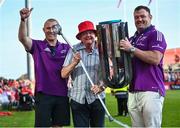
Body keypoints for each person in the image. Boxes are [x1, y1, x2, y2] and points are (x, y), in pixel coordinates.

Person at [18, 8, 70, 127]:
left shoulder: (67, 48)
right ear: (43, 30)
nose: (51, 30)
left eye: (54, 27)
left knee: (58, 126)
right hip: (43, 93)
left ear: (59, 29)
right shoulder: (37, 45)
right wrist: (23, 20)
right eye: (48, 28)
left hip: (62, 93)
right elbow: (23, 38)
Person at [119, 5, 167, 127]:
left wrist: (131, 49)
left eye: (142, 16)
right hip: (133, 90)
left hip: (151, 90)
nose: (139, 19)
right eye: (136, 17)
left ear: (150, 17)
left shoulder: (156, 34)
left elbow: (155, 58)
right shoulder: (131, 39)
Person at [61, 20, 106, 127]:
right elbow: (63, 74)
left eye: (90, 32)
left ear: (95, 35)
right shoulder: (73, 50)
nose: (88, 35)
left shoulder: (102, 50)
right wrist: (74, 63)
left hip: (97, 98)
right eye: (84, 33)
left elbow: (111, 74)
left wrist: (102, 87)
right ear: (80, 37)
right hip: (78, 99)